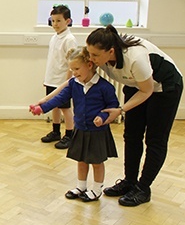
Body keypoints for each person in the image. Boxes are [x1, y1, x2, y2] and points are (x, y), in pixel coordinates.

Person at [86, 25, 183, 207]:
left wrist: (121, 110)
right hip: (137, 85)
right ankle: (129, 181)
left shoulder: (135, 58)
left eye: (95, 55)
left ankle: (143, 188)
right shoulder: (100, 56)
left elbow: (147, 91)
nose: (91, 59)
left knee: (155, 139)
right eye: (89, 53)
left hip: (165, 87)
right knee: (131, 135)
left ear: (111, 51)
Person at [30, 47, 119, 202]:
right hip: (81, 129)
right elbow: (59, 99)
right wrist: (42, 108)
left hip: (97, 131)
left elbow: (113, 106)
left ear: (89, 65)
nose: (74, 73)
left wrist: (101, 117)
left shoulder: (105, 87)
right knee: (81, 160)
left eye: (77, 69)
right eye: (71, 69)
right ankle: (81, 186)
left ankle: (97, 189)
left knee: (97, 162)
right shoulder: (74, 84)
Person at [41, 5, 77, 149]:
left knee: (65, 109)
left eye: (58, 21)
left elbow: (72, 62)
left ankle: (69, 134)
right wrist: (47, 79)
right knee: (54, 106)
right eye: (53, 21)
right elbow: (53, 60)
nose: (55, 24)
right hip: (51, 79)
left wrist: (67, 82)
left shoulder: (69, 39)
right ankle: (56, 131)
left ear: (67, 21)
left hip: (62, 81)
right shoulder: (54, 38)